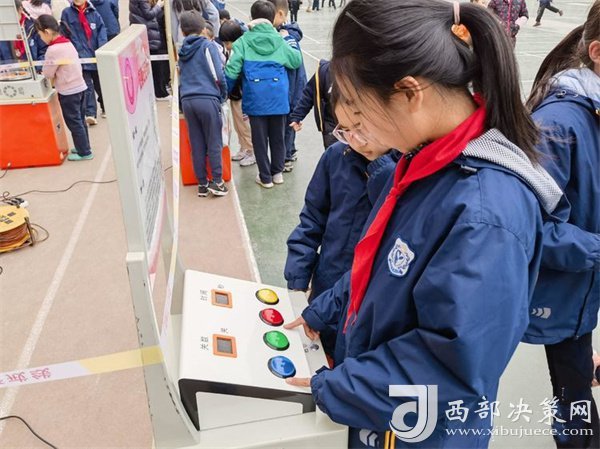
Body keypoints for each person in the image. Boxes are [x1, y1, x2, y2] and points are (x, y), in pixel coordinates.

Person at [282, 1, 563, 448]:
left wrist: (333, 387)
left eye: (356, 109)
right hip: (382, 409)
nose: (352, 127)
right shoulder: (425, 163)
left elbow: (452, 364)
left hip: (422, 431)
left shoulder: (485, 213)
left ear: (410, 92)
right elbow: (382, 269)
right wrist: (326, 309)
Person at [524, 2, 600, 447]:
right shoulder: (557, 125)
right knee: (573, 408)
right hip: (550, 294)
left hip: (581, 293)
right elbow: (529, 228)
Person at [285, 93, 396, 357]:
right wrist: (298, 278)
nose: (354, 140)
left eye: (361, 128)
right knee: (318, 356)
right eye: (344, 130)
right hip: (325, 286)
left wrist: (381, 168)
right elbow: (312, 218)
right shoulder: (336, 157)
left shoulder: (402, 173)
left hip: (370, 308)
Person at [224, 0, 302, 189]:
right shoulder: (279, 39)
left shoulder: (243, 42)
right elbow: (296, 61)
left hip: (255, 98)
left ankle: (265, 178)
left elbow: (231, 71)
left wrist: (223, 92)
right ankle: (277, 174)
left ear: (251, 18)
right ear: (272, 17)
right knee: (277, 137)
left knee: (259, 140)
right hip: (278, 98)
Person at [178, 10, 229, 197]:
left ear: (183, 32)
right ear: (202, 28)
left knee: (197, 142)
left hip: (188, 100)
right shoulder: (208, 46)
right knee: (213, 140)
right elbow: (218, 75)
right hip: (207, 97)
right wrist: (222, 95)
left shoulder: (182, 50)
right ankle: (217, 181)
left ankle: (202, 182)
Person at [36, 14, 93, 161]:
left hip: (68, 91)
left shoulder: (53, 50)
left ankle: (84, 152)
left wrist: (43, 71)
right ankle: (84, 147)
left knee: (74, 123)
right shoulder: (68, 43)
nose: (40, 37)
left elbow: (48, 72)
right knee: (80, 120)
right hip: (80, 87)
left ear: (47, 32)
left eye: (40, 34)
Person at [267, 0, 307, 173]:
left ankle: (287, 156)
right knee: (285, 125)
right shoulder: (279, 34)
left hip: (293, 89)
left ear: (281, 14)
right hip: (286, 89)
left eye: (269, 15)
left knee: (289, 124)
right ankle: (289, 151)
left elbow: (294, 70)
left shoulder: (287, 38)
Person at [60, 0, 107, 123]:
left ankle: (106, 107)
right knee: (87, 86)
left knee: (100, 83)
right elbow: (64, 33)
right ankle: (90, 113)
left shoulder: (94, 12)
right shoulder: (67, 13)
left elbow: (102, 30)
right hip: (79, 56)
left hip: (95, 54)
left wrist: (102, 48)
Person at [219, 20, 255, 167]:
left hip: (243, 95)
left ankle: (252, 151)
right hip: (235, 95)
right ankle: (243, 147)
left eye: (228, 43)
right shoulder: (232, 49)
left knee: (245, 125)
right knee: (238, 123)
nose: (227, 46)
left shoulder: (242, 49)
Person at [289, 59, 336, 149]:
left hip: (357, 127)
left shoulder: (361, 71)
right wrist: (297, 116)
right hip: (331, 126)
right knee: (335, 158)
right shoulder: (325, 71)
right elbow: (309, 94)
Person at [129, 0, 171, 100]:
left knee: (151, 64)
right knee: (156, 65)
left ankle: (156, 91)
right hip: (149, 32)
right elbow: (149, 14)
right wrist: (158, 6)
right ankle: (160, 93)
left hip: (146, 32)